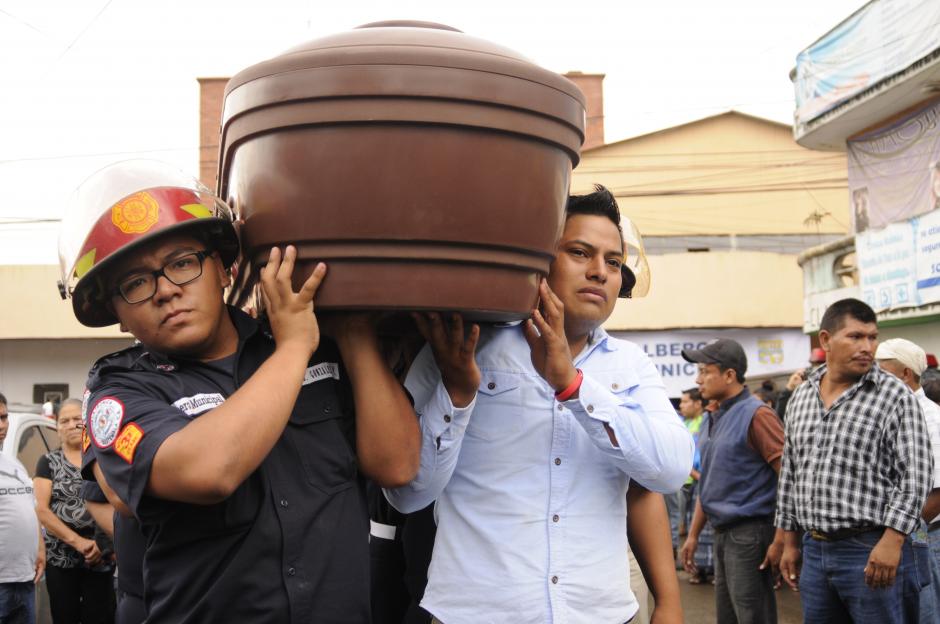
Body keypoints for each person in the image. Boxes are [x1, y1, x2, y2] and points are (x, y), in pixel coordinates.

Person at [56, 160, 421, 623]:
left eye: (183, 263)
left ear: (225, 271)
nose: (166, 290)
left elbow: (399, 464)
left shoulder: (318, 351)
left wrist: (352, 335)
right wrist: (293, 348)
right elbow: (209, 470)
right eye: (136, 283)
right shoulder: (118, 391)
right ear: (119, 316)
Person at [386, 185, 693, 624]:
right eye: (580, 252)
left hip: (601, 614)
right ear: (539, 260)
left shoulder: (632, 363)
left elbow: (668, 470)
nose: (600, 272)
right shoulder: (464, 345)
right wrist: (457, 391)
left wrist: (572, 386)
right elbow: (408, 494)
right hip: (476, 615)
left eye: (613, 262)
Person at [777, 298, 934, 624]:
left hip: (871, 549)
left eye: (872, 337)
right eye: (855, 337)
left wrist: (892, 541)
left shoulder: (894, 395)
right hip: (815, 550)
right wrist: (789, 541)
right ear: (825, 340)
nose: (867, 346)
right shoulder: (802, 396)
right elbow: (790, 472)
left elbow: (916, 474)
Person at [678, 338, 785, 624]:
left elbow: (788, 478)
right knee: (728, 616)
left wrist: (784, 539)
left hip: (750, 534)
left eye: (704, 371)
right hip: (722, 533)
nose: (698, 379)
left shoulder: (758, 415)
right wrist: (692, 534)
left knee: (752, 615)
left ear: (729, 375)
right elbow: (709, 483)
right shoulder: (714, 416)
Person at [874, 338, 940, 622]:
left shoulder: (931, 419)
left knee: (924, 613)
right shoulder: (884, 413)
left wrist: (902, 535)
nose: (874, 380)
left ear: (905, 374)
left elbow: (936, 495)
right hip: (891, 538)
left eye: (881, 372)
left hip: (923, 537)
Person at [34, 398, 116, 624]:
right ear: (57, 427)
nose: (71, 425)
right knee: (64, 616)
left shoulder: (102, 459)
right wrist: (79, 543)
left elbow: (115, 500)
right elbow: (42, 510)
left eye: (77, 419)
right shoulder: (48, 462)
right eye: (64, 421)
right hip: (61, 559)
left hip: (101, 557)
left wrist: (101, 544)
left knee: (101, 616)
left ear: (87, 422)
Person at [0, 392, 46, 624]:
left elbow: (31, 508)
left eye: (4, 417)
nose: (2, 425)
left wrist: (39, 549)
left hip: (25, 579)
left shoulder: (13, 464)